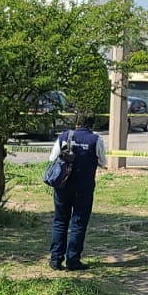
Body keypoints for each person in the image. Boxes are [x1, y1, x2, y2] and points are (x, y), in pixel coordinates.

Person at [49, 115, 105, 271]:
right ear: (92, 124)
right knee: (78, 223)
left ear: (77, 122)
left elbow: (52, 157)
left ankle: (55, 259)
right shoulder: (96, 140)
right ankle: (73, 260)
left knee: (60, 221)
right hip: (84, 188)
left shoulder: (64, 136)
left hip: (63, 185)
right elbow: (102, 162)